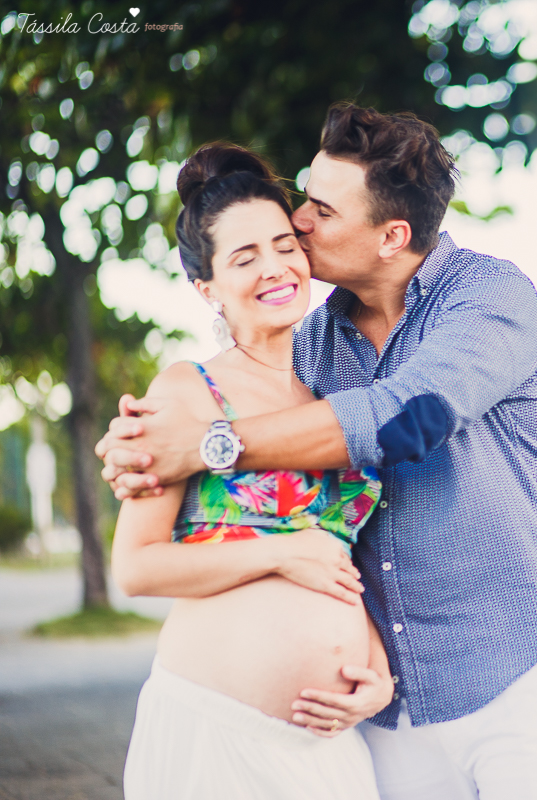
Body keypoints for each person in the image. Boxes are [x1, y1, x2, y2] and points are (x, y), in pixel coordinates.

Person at [97, 103, 537, 800]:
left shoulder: (490, 297)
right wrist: (137, 445)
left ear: (391, 235)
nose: (299, 224)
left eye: (319, 211)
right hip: (385, 718)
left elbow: (406, 419)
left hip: (517, 678)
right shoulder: (309, 349)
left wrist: (207, 447)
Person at [111, 143, 391, 800]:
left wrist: (375, 669)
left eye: (283, 245)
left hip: (328, 752)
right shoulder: (187, 391)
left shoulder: (330, 396)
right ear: (206, 285)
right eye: (245, 257)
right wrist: (280, 552)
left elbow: (344, 555)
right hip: (215, 735)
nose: (275, 267)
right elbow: (137, 566)